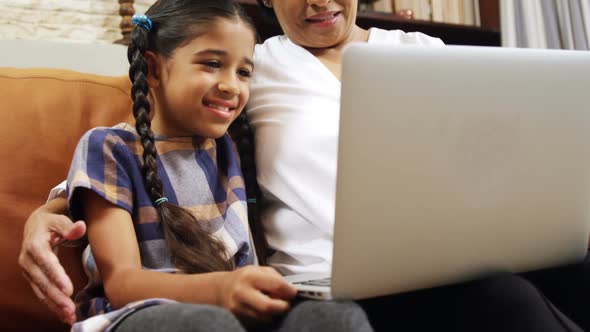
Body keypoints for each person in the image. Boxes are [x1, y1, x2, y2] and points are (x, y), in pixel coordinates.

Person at [19, 0, 590, 331]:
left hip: (458, 253)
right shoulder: (254, 65)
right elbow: (146, 137)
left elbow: (502, 155)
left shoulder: (424, 53)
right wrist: (49, 209)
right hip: (333, 281)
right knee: (500, 299)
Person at [28, 1, 373, 331]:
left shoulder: (237, 144)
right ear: (153, 68)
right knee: (208, 323)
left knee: (334, 316)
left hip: (239, 313)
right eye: (211, 64)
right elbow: (122, 282)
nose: (230, 85)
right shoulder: (110, 148)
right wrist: (222, 290)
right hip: (141, 312)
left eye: (243, 72)